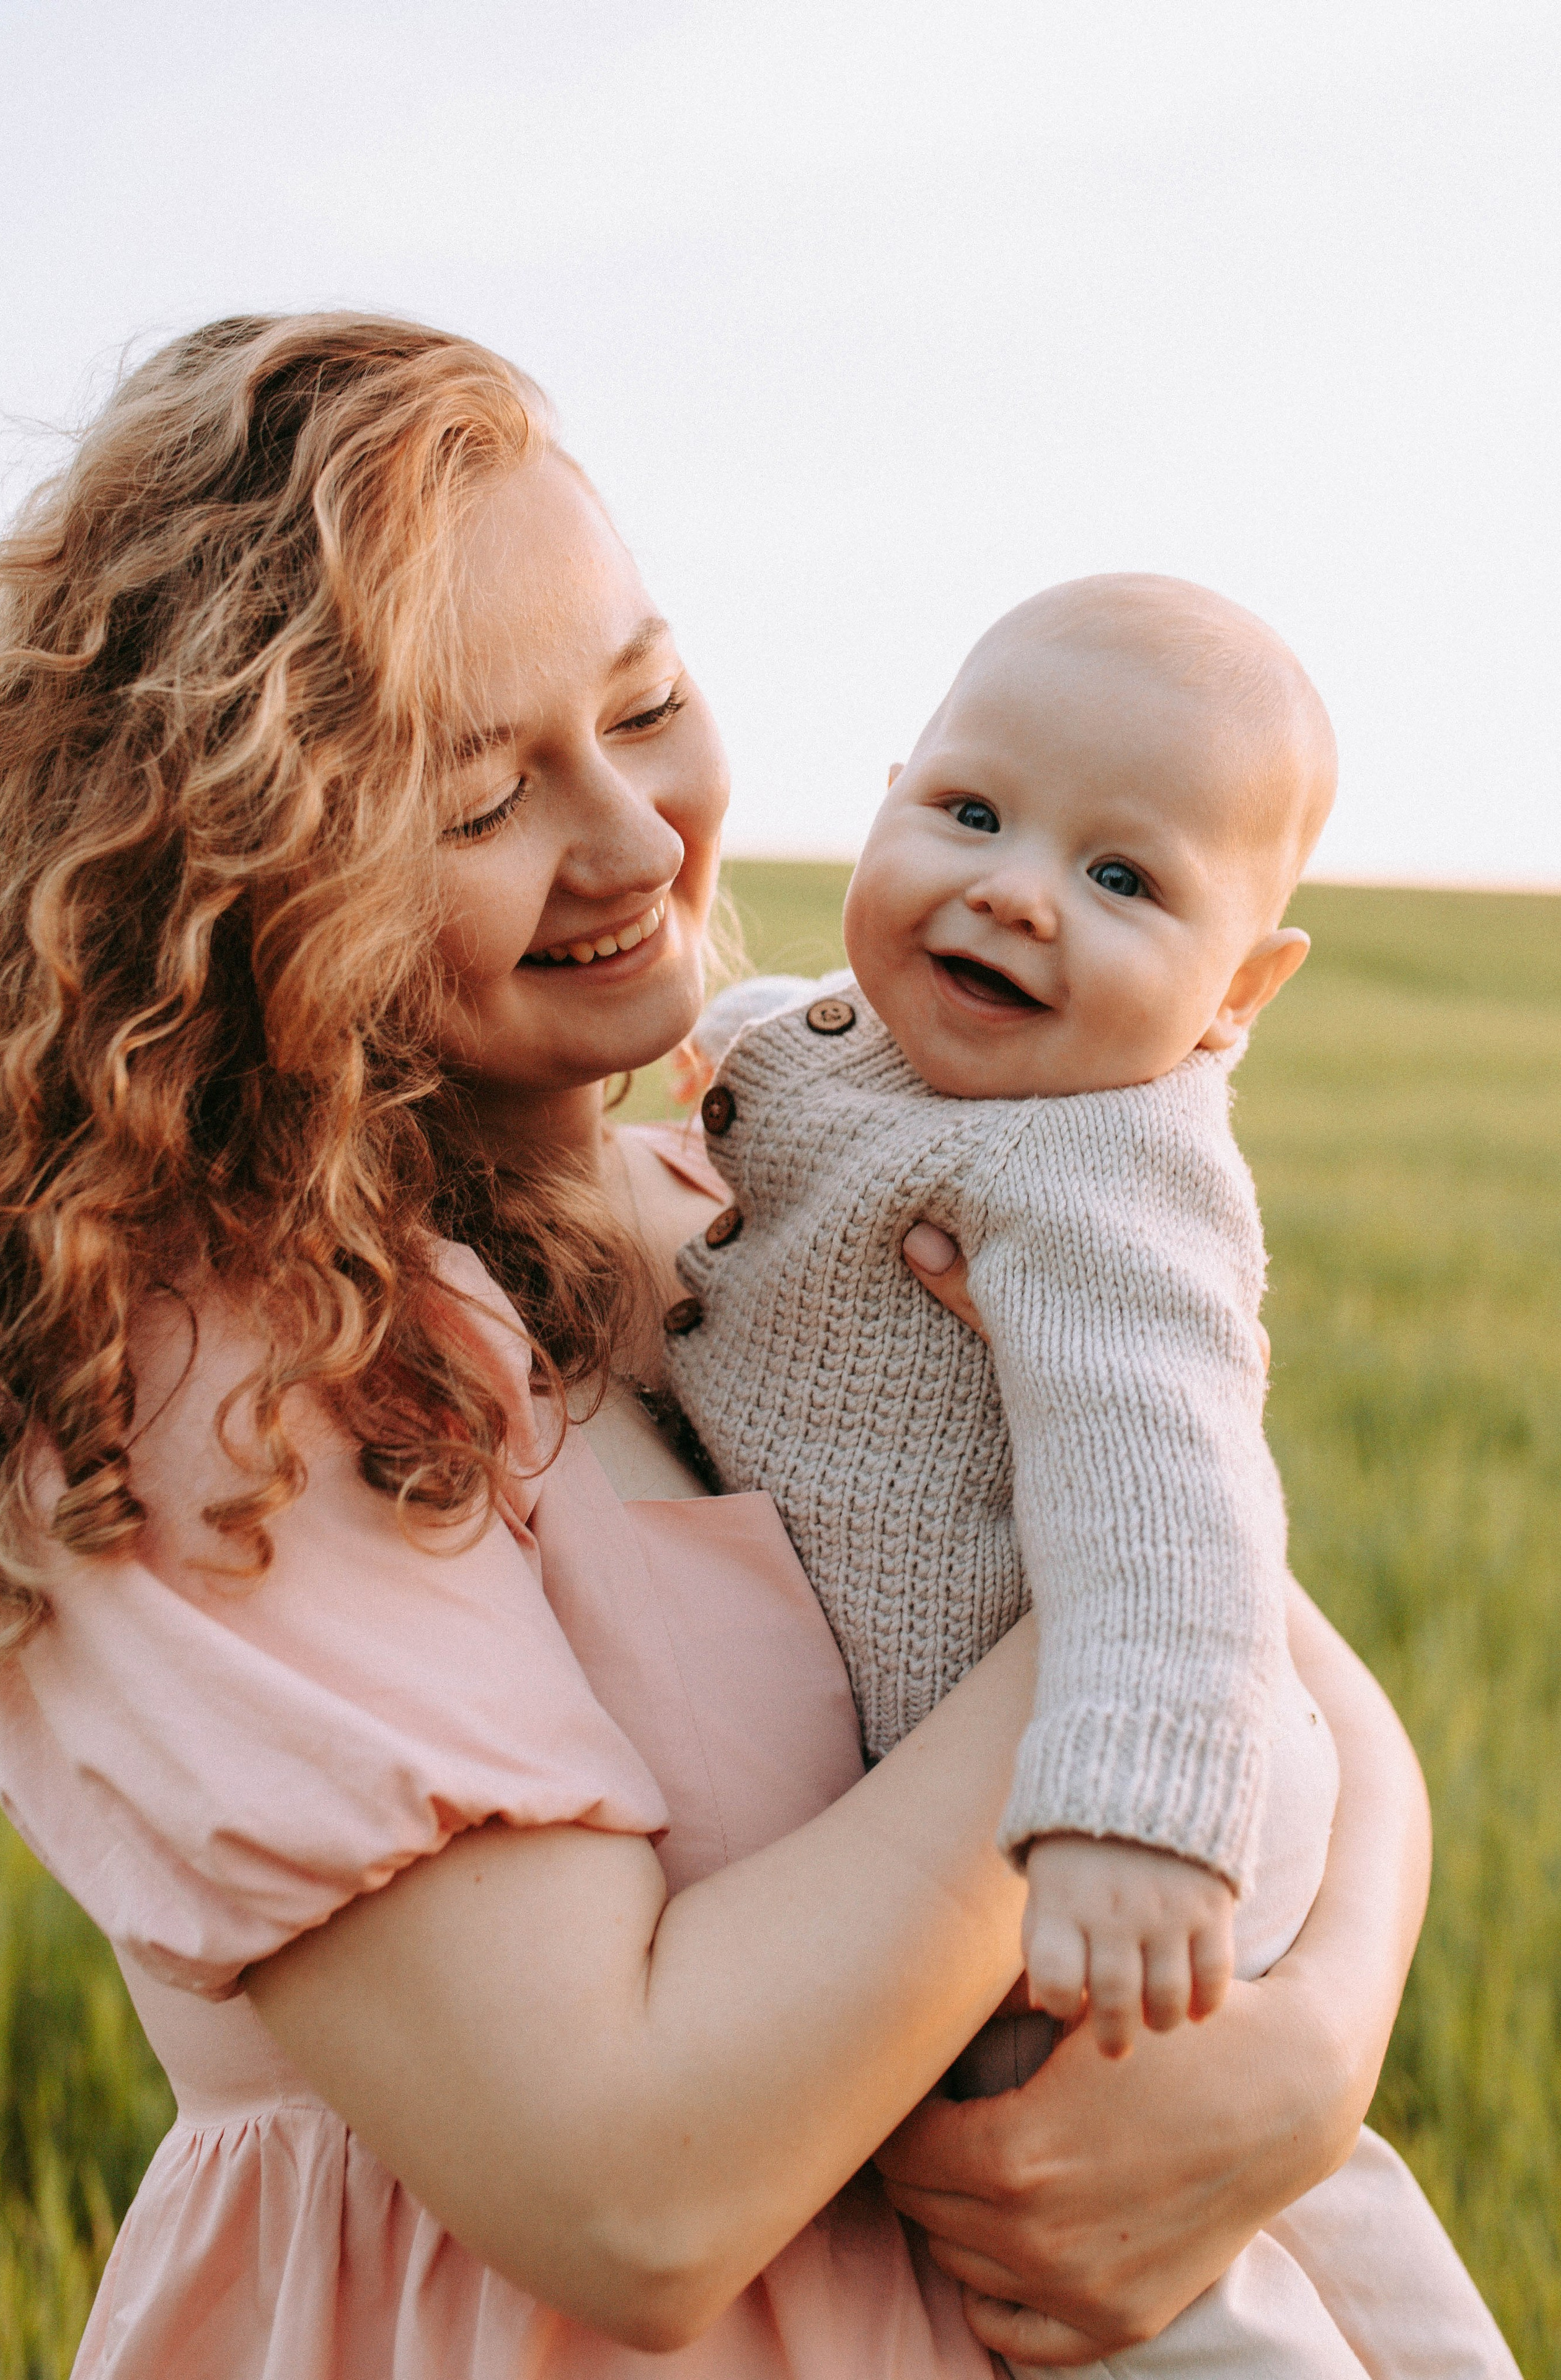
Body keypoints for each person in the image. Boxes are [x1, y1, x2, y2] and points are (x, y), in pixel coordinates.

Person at [0, 312, 1461, 2378]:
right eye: (485, 794)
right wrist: (1136, 1587)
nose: (642, 839)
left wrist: (1314, 2036)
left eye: (647, 699)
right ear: (247, 878)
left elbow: (1284, 1642)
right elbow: (632, 2195)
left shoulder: (734, 1196)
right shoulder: (220, 1379)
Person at [661, 581, 1521, 2374]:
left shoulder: (1113, 1167)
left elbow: (1172, 1510)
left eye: (1125, 881)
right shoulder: (838, 1038)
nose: (1017, 888)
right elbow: (777, 1053)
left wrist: (1135, 1809)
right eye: (970, 814)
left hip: (1124, 1804)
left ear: (1243, 987)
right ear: (893, 794)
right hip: (1006, 1795)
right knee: (1284, 2211)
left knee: (1126, 2263)